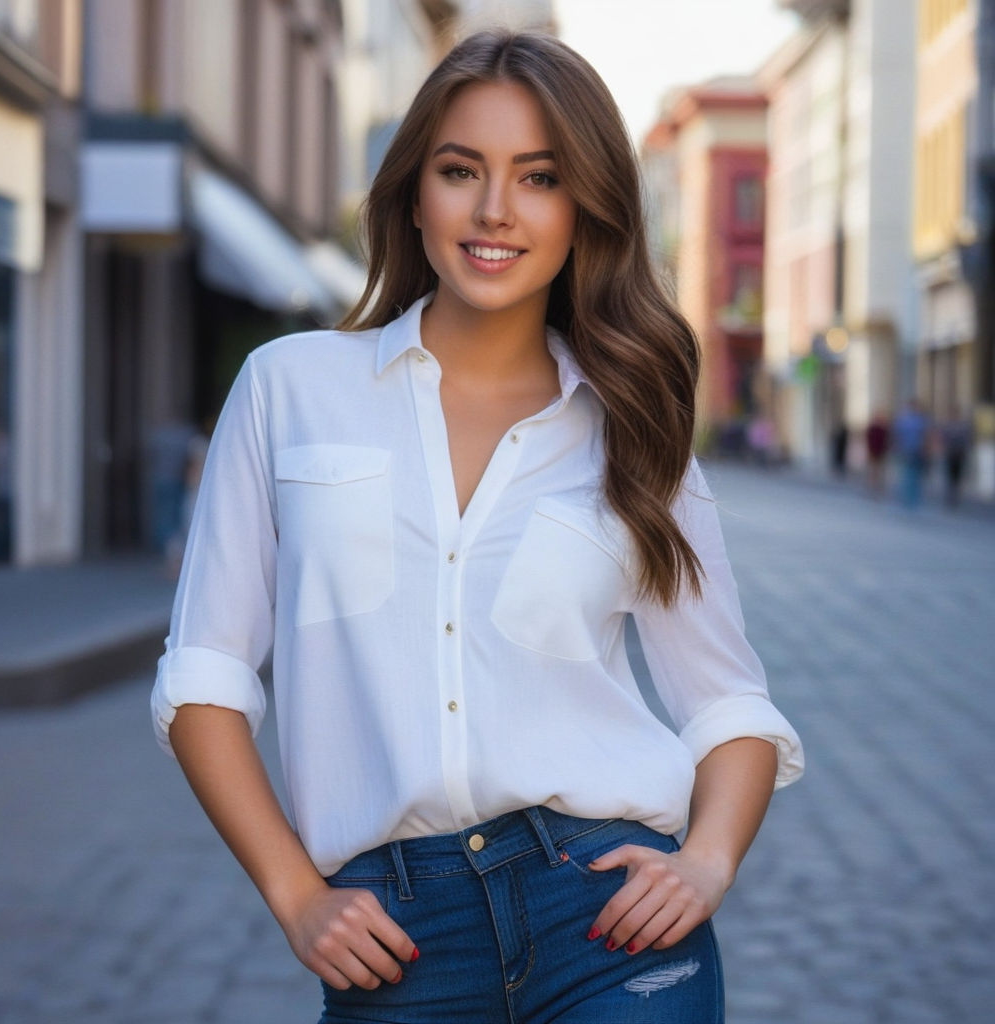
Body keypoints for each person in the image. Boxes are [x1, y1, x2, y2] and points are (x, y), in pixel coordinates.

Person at [151, 31, 803, 1024]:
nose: (495, 209)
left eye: (538, 177)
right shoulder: (290, 390)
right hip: (397, 946)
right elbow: (204, 681)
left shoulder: (634, 432)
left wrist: (706, 861)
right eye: (462, 171)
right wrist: (294, 894)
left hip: (606, 931)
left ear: (582, 208)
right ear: (415, 195)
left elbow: (731, 712)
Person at [892, 398, 931, 508]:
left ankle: (912, 498)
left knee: (914, 475)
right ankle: (908, 498)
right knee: (908, 475)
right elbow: (897, 435)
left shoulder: (919, 420)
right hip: (908, 450)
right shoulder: (906, 420)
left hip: (916, 451)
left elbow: (926, 436)